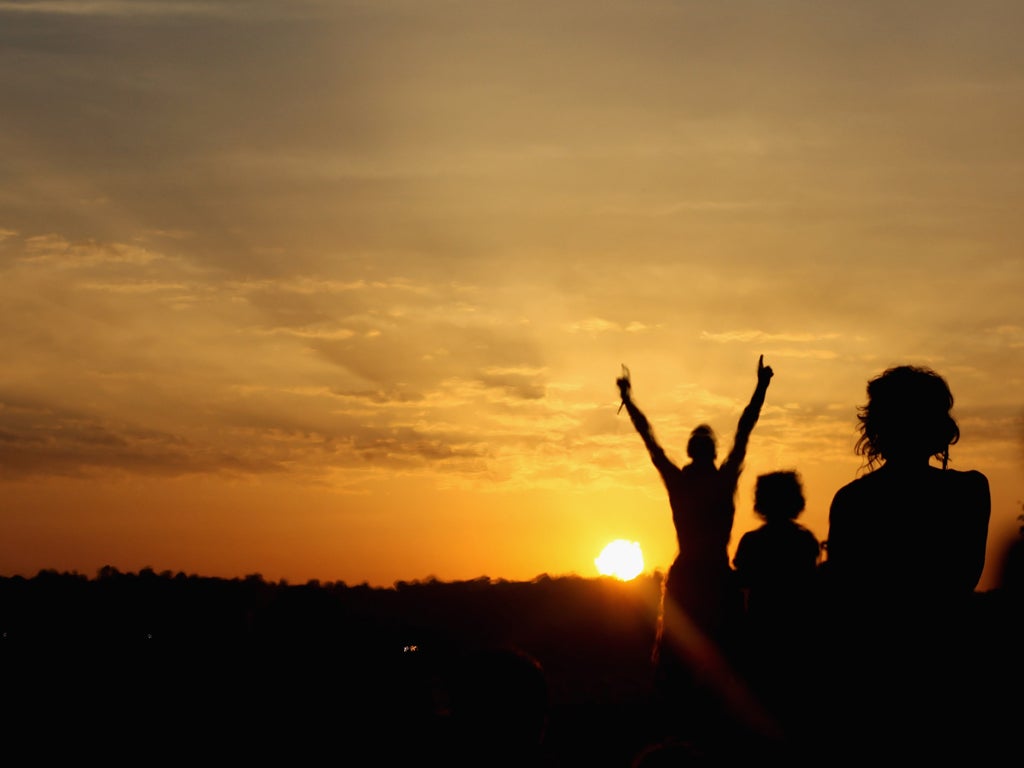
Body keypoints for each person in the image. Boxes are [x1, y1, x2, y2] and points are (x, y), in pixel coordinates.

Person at [821, 365, 991, 760]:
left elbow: (844, 601)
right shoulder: (969, 492)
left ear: (876, 428)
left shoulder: (853, 501)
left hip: (875, 677)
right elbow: (963, 578)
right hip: (948, 671)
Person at [616, 355, 774, 742]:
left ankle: (678, 729)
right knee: (728, 656)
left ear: (690, 452)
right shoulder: (722, 481)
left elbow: (649, 438)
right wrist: (761, 387)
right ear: (711, 453)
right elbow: (744, 430)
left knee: (677, 658)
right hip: (718, 576)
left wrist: (628, 397)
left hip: (690, 575)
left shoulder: (679, 482)